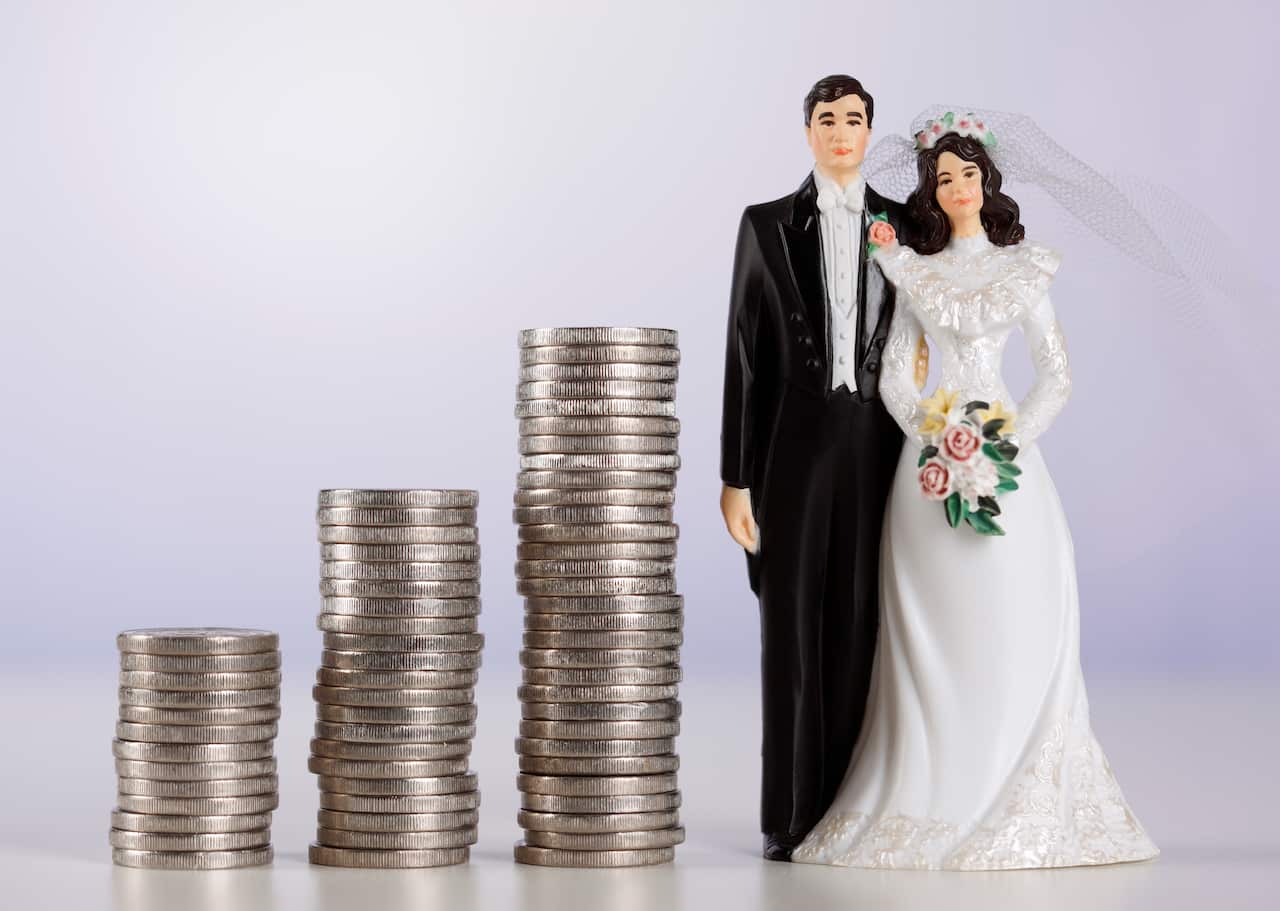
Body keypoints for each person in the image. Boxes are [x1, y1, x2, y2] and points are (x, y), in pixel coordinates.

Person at [791, 117, 1160, 869]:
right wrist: (934, 436)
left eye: (968, 175)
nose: (958, 188)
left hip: (1006, 466)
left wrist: (1004, 440)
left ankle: (1015, 782)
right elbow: (898, 376)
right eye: (944, 178)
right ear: (931, 192)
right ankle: (932, 788)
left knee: (1012, 611)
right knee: (937, 623)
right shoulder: (916, 273)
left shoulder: (1025, 270)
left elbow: (1056, 375)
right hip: (930, 469)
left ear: (987, 184)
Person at [719, 75, 926, 862]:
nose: (841, 131)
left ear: (870, 131)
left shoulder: (905, 226)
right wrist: (735, 475)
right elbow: (744, 351)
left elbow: (924, 324)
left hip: (877, 439)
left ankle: (849, 808)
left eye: (854, 119)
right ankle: (788, 812)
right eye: (827, 118)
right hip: (793, 443)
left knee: (859, 617)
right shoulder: (767, 224)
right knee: (789, 622)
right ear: (807, 130)